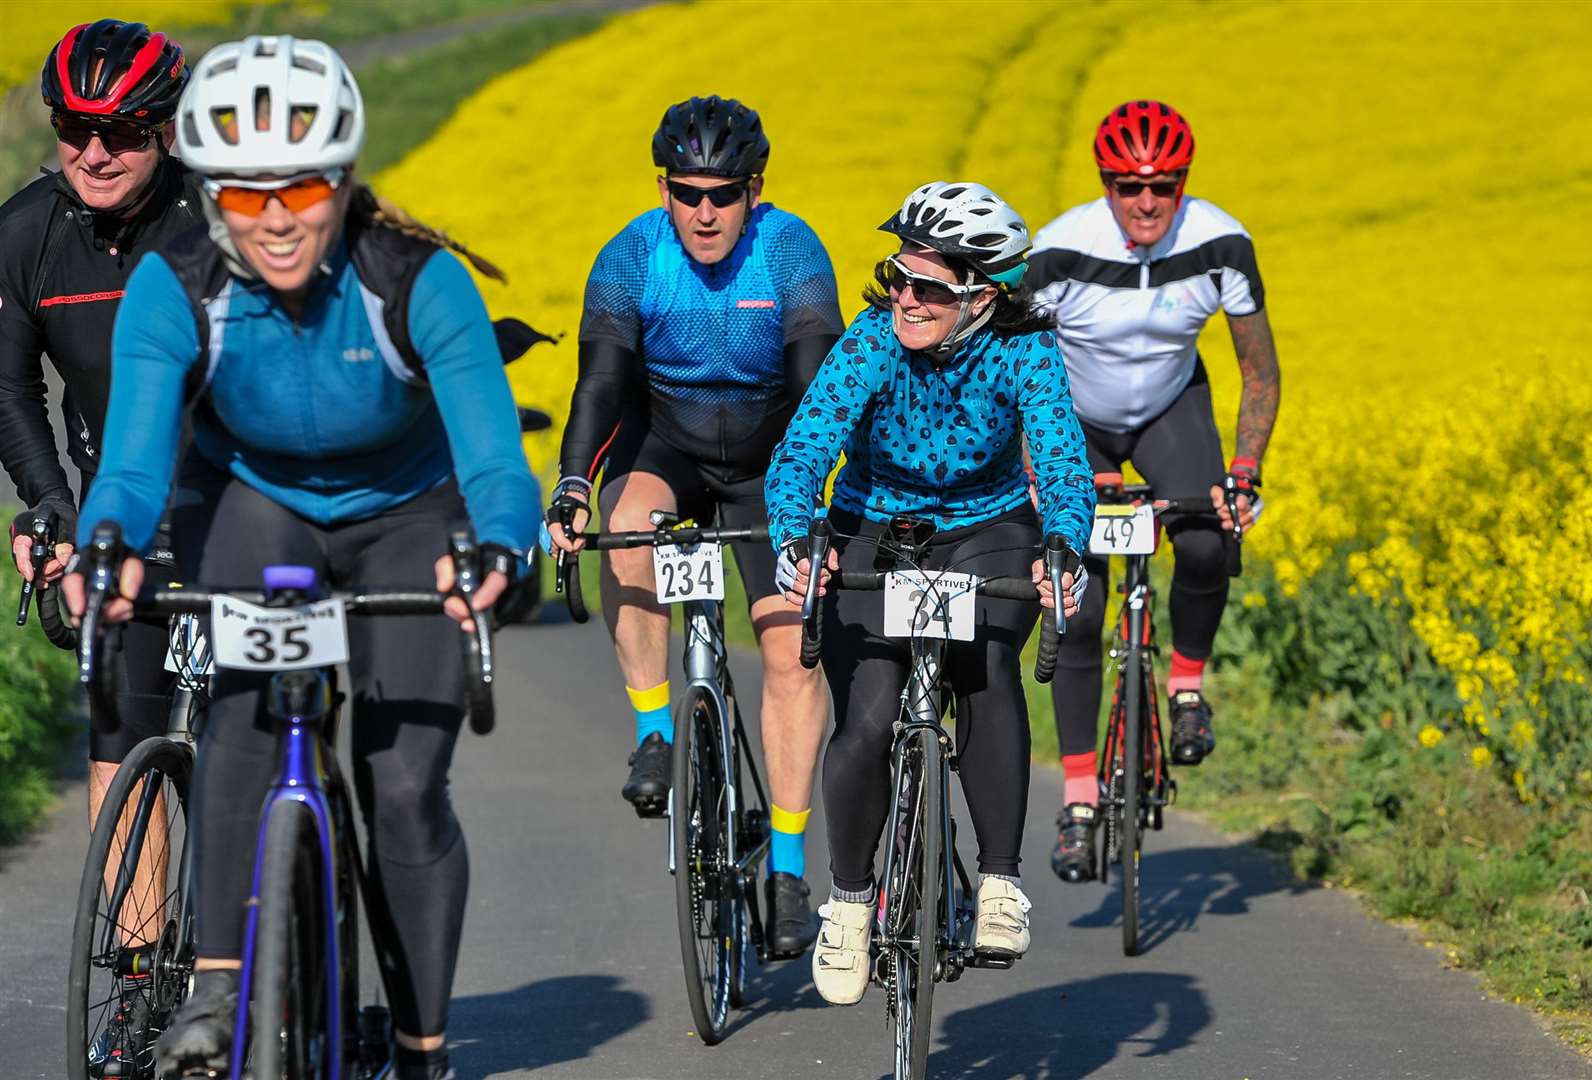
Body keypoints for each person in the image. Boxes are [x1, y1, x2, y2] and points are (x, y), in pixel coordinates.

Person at [63, 36, 539, 1080]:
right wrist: (110, 548)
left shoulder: (417, 279)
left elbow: (495, 462)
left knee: (402, 785)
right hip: (262, 503)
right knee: (237, 708)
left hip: (409, 513)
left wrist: (502, 546)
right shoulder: (173, 284)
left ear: (346, 180)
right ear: (211, 198)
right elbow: (136, 470)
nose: (275, 220)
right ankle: (215, 986)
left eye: (304, 188)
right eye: (242, 197)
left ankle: (420, 1045)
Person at [767, 180, 1093, 1005]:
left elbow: (1058, 464)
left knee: (987, 667)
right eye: (897, 277)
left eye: (930, 288)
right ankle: (847, 904)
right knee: (871, 716)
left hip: (988, 527)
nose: (905, 299)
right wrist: (797, 535)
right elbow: (803, 451)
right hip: (874, 526)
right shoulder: (874, 339)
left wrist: (1063, 547)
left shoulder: (1025, 348)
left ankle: (999, 883)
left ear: (982, 297)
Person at [545, 95, 839, 956]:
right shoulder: (632, 256)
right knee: (628, 524)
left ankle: (787, 867)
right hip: (666, 440)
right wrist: (570, 485)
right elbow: (599, 388)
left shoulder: (790, 250)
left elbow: (818, 383)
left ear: (755, 190)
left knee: (789, 649)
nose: (704, 212)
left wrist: (810, 505)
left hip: (769, 458)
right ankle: (654, 733)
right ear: (664, 189)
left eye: (723, 194)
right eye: (686, 193)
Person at [1025, 99, 1281, 883]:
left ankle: (1187, 684)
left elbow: (1259, 372)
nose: (1145, 202)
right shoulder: (1060, 250)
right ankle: (1077, 801)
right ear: (1103, 183)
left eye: (1163, 186)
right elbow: (1017, 378)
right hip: (1074, 418)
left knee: (1206, 538)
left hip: (1173, 409)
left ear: (1184, 184)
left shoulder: (1220, 244)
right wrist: (1047, 475)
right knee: (1079, 600)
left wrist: (1243, 472)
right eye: (1127, 185)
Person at [0, 25, 196, 1048]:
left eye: (120, 130)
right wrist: (49, 506)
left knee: (278, 718)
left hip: (235, 499)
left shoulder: (216, 219)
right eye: (75, 128)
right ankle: (137, 971)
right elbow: (6, 383)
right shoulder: (27, 231)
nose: (95, 151)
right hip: (114, 508)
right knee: (124, 722)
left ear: (165, 129)